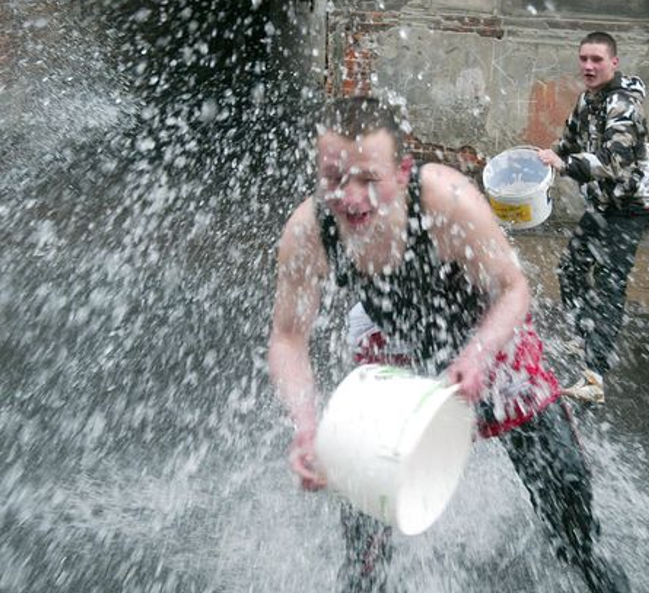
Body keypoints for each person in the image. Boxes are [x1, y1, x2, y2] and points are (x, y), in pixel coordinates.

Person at [268, 96, 630, 593]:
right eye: (333, 180)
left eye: (369, 180)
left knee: (563, 485)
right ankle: (365, 577)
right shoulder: (309, 231)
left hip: (486, 333)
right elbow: (288, 339)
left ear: (403, 172)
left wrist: (478, 355)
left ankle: (585, 561)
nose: (351, 199)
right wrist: (306, 428)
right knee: (362, 508)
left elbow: (514, 288)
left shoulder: (445, 198)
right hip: (394, 344)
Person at [537, 31, 649, 404]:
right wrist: (544, 157)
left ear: (614, 63)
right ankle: (584, 334)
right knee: (571, 270)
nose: (589, 66)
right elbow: (569, 142)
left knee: (609, 285)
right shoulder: (588, 99)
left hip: (631, 208)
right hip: (603, 206)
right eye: (584, 59)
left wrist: (565, 164)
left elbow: (611, 162)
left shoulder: (623, 105)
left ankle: (594, 376)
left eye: (597, 60)